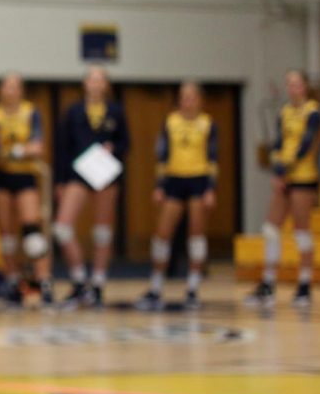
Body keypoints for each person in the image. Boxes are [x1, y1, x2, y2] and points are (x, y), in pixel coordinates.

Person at [135, 82, 218, 311]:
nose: (188, 101)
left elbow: (212, 158)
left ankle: (192, 288)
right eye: (184, 97)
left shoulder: (207, 124)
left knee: (196, 235)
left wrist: (211, 188)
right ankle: (156, 286)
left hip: (199, 180)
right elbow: (162, 154)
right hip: (174, 180)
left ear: (199, 100)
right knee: (162, 234)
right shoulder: (170, 122)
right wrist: (159, 185)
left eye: (192, 97)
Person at [54, 66, 129, 309]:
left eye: (100, 80)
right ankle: (79, 279)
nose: (96, 84)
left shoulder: (116, 111)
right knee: (63, 227)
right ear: (85, 83)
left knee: (102, 231)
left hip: (105, 173)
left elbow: (126, 142)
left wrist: (113, 149)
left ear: (106, 85)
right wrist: (61, 180)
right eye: (92, 79)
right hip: (78, 173)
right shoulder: (74, 111)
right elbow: (63, 147)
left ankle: (97, 283)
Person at [246, 69, 319, 308]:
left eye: (297, 84)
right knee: (270, 228)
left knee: (301, 231)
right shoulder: (284, 112)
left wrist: (285, 170)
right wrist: (277, 170)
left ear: (305, 87)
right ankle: (268, 285)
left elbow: (306, 146)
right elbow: (278, 143)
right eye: (289, 84)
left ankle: (304, 286)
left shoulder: (313, 112)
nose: (292, 88)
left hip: (303, 177)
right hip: (285, 177)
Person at [0, 73, 53, 307]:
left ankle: (44, 281)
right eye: (7, 86)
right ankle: (13, 282)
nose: (11, 91)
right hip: (1, 177)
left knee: (33, 232)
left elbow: (38, 146)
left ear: (21, 90)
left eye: (15, 86)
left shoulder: (30, 112)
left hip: (25, 175)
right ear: (1, 90)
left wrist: (15, 151)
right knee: (6, 235)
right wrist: (13, 151)